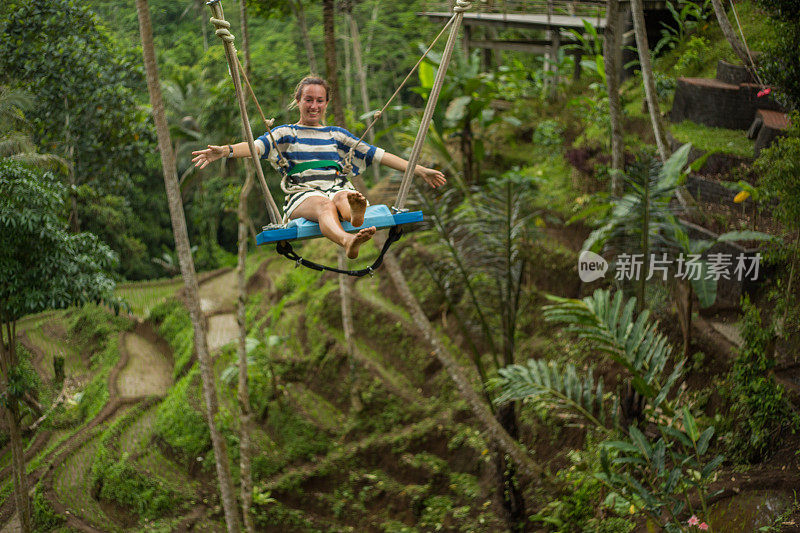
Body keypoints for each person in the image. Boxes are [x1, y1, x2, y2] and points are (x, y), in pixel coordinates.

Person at [191, 76, 446, 259]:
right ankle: (348, 240)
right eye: (308, 100)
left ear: (326, 103)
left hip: (336, 186)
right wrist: (225, 151)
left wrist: (419, 170)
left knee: (346, 196)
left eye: (320, 101)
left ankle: (355, 214)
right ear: (298, 101)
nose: (314, 106)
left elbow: (380, 155)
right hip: (302, 193)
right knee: (325, 205)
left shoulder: (337, 135)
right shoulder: (285, 133)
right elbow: (256, 147)